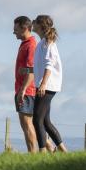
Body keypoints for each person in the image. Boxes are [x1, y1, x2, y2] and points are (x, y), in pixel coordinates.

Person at [32, 15, 67, 153]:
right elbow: (41, 65)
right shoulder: (41, 43)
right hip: (45, 85)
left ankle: (42, 152)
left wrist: (43, 84)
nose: (32, 23)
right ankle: (63, 151)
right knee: (45, 121)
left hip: (47, 86)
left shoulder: (48, 43)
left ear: (40, 26)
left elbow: (49, 65)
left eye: (35, 22)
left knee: (37, 120)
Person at [12, 15, 38, 153]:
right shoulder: (26, 44)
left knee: (27, 124)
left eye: (16, 29)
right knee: (31, 124)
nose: (13, 32)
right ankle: (50, 150)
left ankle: (33, 155)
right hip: (24, 89)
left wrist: (22, 90)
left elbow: (32, 70)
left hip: (27, 91)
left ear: (24, 28)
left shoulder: (31, 45)